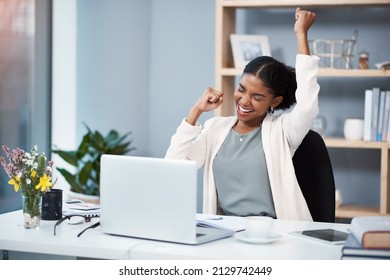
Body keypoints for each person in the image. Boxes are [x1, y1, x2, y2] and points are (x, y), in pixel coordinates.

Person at [165, 7, 319, 221]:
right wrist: (196, 110)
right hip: (224, 233)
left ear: (274, 101)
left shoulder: (283, 130)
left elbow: (308, 105)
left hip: (272, 234)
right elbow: (173, 165)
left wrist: (301, 34)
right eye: (241, 89)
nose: (244, 101)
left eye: (257, 97)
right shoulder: (215, 129)